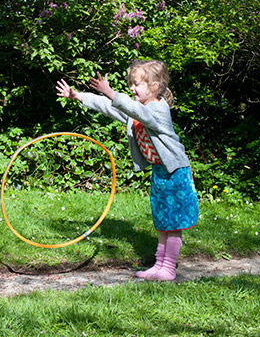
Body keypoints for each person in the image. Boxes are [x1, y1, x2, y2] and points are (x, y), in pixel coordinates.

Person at [55, 60, 199, 281]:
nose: (132, 88)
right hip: (161, 172)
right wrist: (78, 96)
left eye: (136, 84)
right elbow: (108, 106)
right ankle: (158, 265)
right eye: (131, 84)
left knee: (174, 222)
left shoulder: (159, 109)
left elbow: (133, 109)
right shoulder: (137, 112)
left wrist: (112, 92)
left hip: (176, 172)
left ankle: (168, 268)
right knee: (162, 221)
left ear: (155, 86)